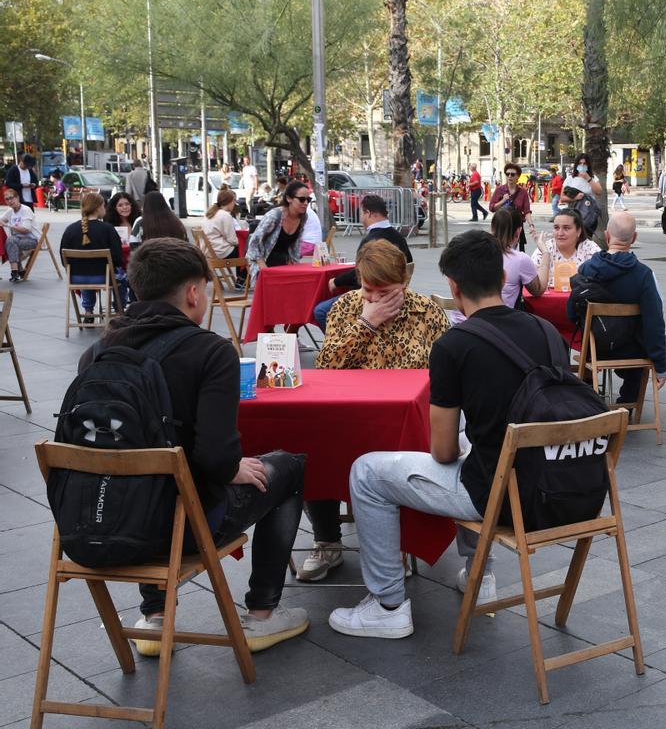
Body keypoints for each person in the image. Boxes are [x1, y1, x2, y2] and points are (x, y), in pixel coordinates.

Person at [327, 230, 567, 639]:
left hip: (498, 496)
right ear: (504, 274)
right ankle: (478, 573)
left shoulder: (455, 344)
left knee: (368, 471)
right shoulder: (548, 333)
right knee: (471, 444)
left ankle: (388, 605)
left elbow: (440, 452)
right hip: (560, 491)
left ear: (453, 286)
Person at [79, 238, 308, 654]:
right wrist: (232, 466)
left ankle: (154, 617)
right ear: (192, 292)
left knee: (149, 476)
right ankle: (261, 615)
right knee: (289, 468)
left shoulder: (97, 352)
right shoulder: (209, 350)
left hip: (103, 521)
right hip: (185, 526)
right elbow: (216, 457)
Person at [301, 243, 451, 581]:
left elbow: (446, 377)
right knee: (312, 442)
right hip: (350, 418)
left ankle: (399, 542)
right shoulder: (345, 310)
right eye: (369, 290)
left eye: (386, 292)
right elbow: (326, 369)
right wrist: (366, 324)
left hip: (404, 425)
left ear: (404, 283)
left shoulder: (427, 312)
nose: (376, 299)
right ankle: (327, 540)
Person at [567, 212, 666, 404]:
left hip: (595, 350)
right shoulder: (644, 275)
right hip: (631, 352)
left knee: (588, 346)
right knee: (640, 350)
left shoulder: (586, 269)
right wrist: (661, 365)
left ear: (606, 236)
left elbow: (571, 313)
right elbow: (654, 323)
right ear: (634, 238)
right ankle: (626, 406)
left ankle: (591, 402)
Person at [313, 194, 413, 330]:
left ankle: (342, 343)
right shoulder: (398, 236)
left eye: (361, 213)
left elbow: (360, 275)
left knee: (321, 311)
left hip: (373, 296)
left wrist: (337, 281)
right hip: (398, 292)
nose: (360, 218)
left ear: (368, 212)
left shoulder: (371, 240)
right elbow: (409, 264)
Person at [59, 193, 126, 316]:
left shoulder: (70, 230)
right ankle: (119, 310)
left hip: (76, 278)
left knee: (86, 270)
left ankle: (88, 311)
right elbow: (117, 258)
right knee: (122, 276)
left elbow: (64, 260)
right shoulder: (108, 229)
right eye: (103, 206)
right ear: (98, 208)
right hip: (103, 278)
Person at [245, 180, 310, 284]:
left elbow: (295, 247)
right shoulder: (275, 216)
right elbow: (254, 243)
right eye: (302, 199)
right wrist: (264, 269)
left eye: (308, 199)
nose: (306, 203)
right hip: (262, 262)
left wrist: (297, 269)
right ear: (289, 198)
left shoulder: (303, 217)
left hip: (283, 265)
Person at [531, 208, 601, 291]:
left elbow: (598, 280)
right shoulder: (545, 248)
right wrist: (545, 254)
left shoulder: (590, 248)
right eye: (556, 228)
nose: (560, 233)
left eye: (566, 228)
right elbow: (532, 279)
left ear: (578, 231)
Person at [204, 188, 247, 288]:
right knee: (246, 251)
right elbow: (232, 240)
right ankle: (241, 281)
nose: (235, 204)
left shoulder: (211, 213)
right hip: (220, 251)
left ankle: (241, 280)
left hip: (210, 251)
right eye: (234, 201)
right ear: (230, 202)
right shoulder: (225, 215)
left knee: (240, 249)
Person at [490, 162, 532, 251]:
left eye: (512, 174)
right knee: (501, 250)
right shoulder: (500, 190)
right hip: (502, 226)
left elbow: (527, 211)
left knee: (511, 251)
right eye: (507, 174)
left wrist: (531, 225)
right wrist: (503, 201)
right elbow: (492, 208)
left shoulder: (523, 192)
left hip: (516, 226)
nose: (509, 176)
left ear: (518, 176)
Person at [1, 187, 37, 282]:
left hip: (32, 240)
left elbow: (25, 230)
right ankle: (18, 271)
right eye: (7, 199)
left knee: (10, 241)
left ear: (17, 197)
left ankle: (16, 271)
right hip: (17, 240)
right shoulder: (10, 211)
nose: (10, 201)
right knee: (8, 242)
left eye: (12, 198)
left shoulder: (26, 210)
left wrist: (8, 225)